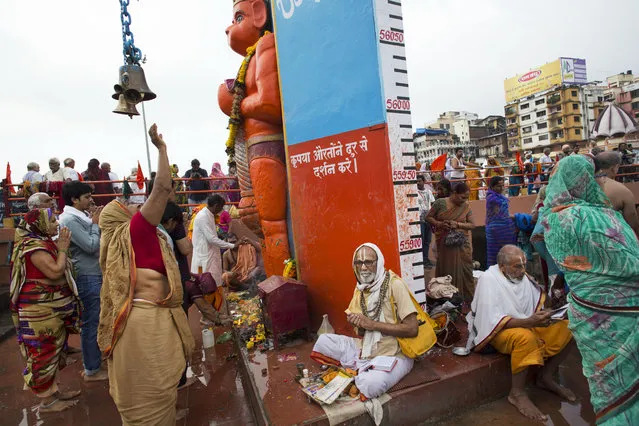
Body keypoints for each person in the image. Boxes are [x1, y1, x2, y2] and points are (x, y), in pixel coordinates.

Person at [98, 124, 195, 426]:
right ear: (120, 217)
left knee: (159, 393)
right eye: (128, 204)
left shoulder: (131, 235)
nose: (135, 205)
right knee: (148, 395)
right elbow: (163, 190)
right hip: (144, 322)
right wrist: (162, 149)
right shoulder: (134, 231)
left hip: (148, 318)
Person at [542, 155, 639, 424]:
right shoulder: (603, 215)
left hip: (585, 307)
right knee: (630, 378)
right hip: (623, 311)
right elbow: (630, 262)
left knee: (602, 379)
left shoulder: (551, 219)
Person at [466, 245, 575, 422]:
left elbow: (540, 303)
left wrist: (546, 314)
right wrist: (530, 322)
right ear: (502, 266)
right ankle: (516, 393)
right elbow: (492, 321)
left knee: (569, 327)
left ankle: (546, 376)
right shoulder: (489, 279)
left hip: (526, 323)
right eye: (518, 266)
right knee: (526, 338)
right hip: (497, 331)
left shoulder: (522, 277)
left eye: (524, 265)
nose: (522, 270)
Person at [310, 243, 418, 400]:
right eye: (359, 263)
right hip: (365, 349)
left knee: (370, 384)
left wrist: (372, 324)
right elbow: (362, 333)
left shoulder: (395, 285)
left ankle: (358, 373)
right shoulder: (360, 288)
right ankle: (360, 370)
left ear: (379, 262)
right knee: (323, 341)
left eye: (369, 262)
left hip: (395, 353)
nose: (363, 268)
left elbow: (412, 329)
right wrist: (358, 325)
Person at [9, 208, 81, 412]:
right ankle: (47, 402)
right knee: (44, 353)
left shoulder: (44, 241)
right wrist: (63, 248)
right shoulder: (33, 247)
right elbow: (54, 271)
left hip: (52, 310)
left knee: (54, 351)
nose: (57, 224)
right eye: (51, 221)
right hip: (40, 311)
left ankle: (54, 392)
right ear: (38, 224)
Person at [59, 182, 108, 382]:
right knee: (91, 323)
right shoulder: (69, 219)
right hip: (87, 275)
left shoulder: (79, 217)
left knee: (96, 320)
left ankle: (94, 361)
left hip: (93, 273)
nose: (91, 201)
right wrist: (96, 224)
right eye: (87, 197)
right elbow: (90, 245)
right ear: (74, 199)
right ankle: (92, 369)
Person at [426, 182, 476, 302]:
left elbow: (472, 225)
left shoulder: (466, 206)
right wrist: (439, 224)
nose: (464, 200)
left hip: (462, 244)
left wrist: (457, 224)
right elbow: (428, 217)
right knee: (448, 270)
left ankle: (467, 299)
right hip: (445, 244)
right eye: (462, 197)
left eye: (466, 198)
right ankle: (447, 298)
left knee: (466, 270)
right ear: (454, 193)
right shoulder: (440, 203)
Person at [191, 194, 236, 286]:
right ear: (216, 206)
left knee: (214, 281)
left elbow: (215, 232)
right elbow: (211, 239)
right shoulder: (203, 216)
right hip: (204, 256)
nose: (221, 210)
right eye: (221, 207)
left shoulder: (209, 215)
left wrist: (227, 235)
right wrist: (233, 245)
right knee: (206, 283)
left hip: (210, 254)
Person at [595, 152, 639, 239]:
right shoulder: (622, 190)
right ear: (614, 168)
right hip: (612, 240)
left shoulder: (581, 185)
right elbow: (632, 222)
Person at [485, 176, 516, 267]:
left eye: (503, 186)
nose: (502, 188)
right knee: (495, 255)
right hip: (495, 230)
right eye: (499, 186)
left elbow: (504, 214)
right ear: (492, 187)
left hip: (505, 229)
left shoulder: (501, 197)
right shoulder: (491, 198)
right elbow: (498, 213)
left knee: (508, 254)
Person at [417, 175, 435, 268]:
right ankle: (421, 260)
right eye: (417, 181)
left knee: (427, 241)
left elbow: (432, 203)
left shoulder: (428, 192)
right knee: (422, 239)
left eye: (420, 181)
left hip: (428, 218)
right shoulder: (415, 192)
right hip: (420, 219)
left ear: (424, 181)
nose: (418, 183)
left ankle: (425, 258)